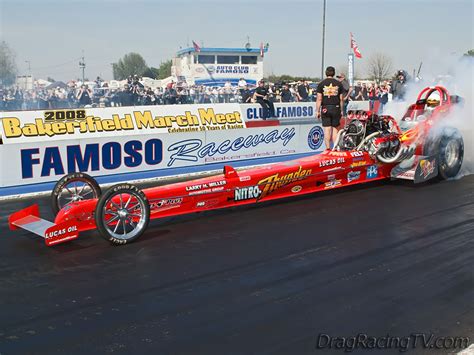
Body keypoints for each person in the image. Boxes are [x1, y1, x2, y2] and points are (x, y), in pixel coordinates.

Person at [316, 66, 344, 150]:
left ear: (326, 73)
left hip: (325, 108)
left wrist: (317, 111)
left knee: (327, 129)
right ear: (334, 73)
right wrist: (341, 110)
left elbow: (319, 98)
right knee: (335, 129)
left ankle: (328, 148)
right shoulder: (339, 84)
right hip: (336, 107)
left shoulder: (321, 84)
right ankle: (334, 148)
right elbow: (341, 99)